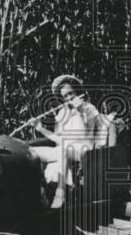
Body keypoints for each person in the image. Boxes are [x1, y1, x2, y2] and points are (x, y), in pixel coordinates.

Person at [30, 74, 109, 208]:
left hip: (85, 149)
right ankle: (41, 192)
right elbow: (60, 140)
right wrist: (40, 128)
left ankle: (61, 194)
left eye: (70, 93)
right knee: (31, 153)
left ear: (77, 91)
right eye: (65, 96)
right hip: (64, 148)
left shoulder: (89, 109)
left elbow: (84, 135)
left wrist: (79, 112)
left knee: (66, 150)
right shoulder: (62, 113)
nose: (68, 98)